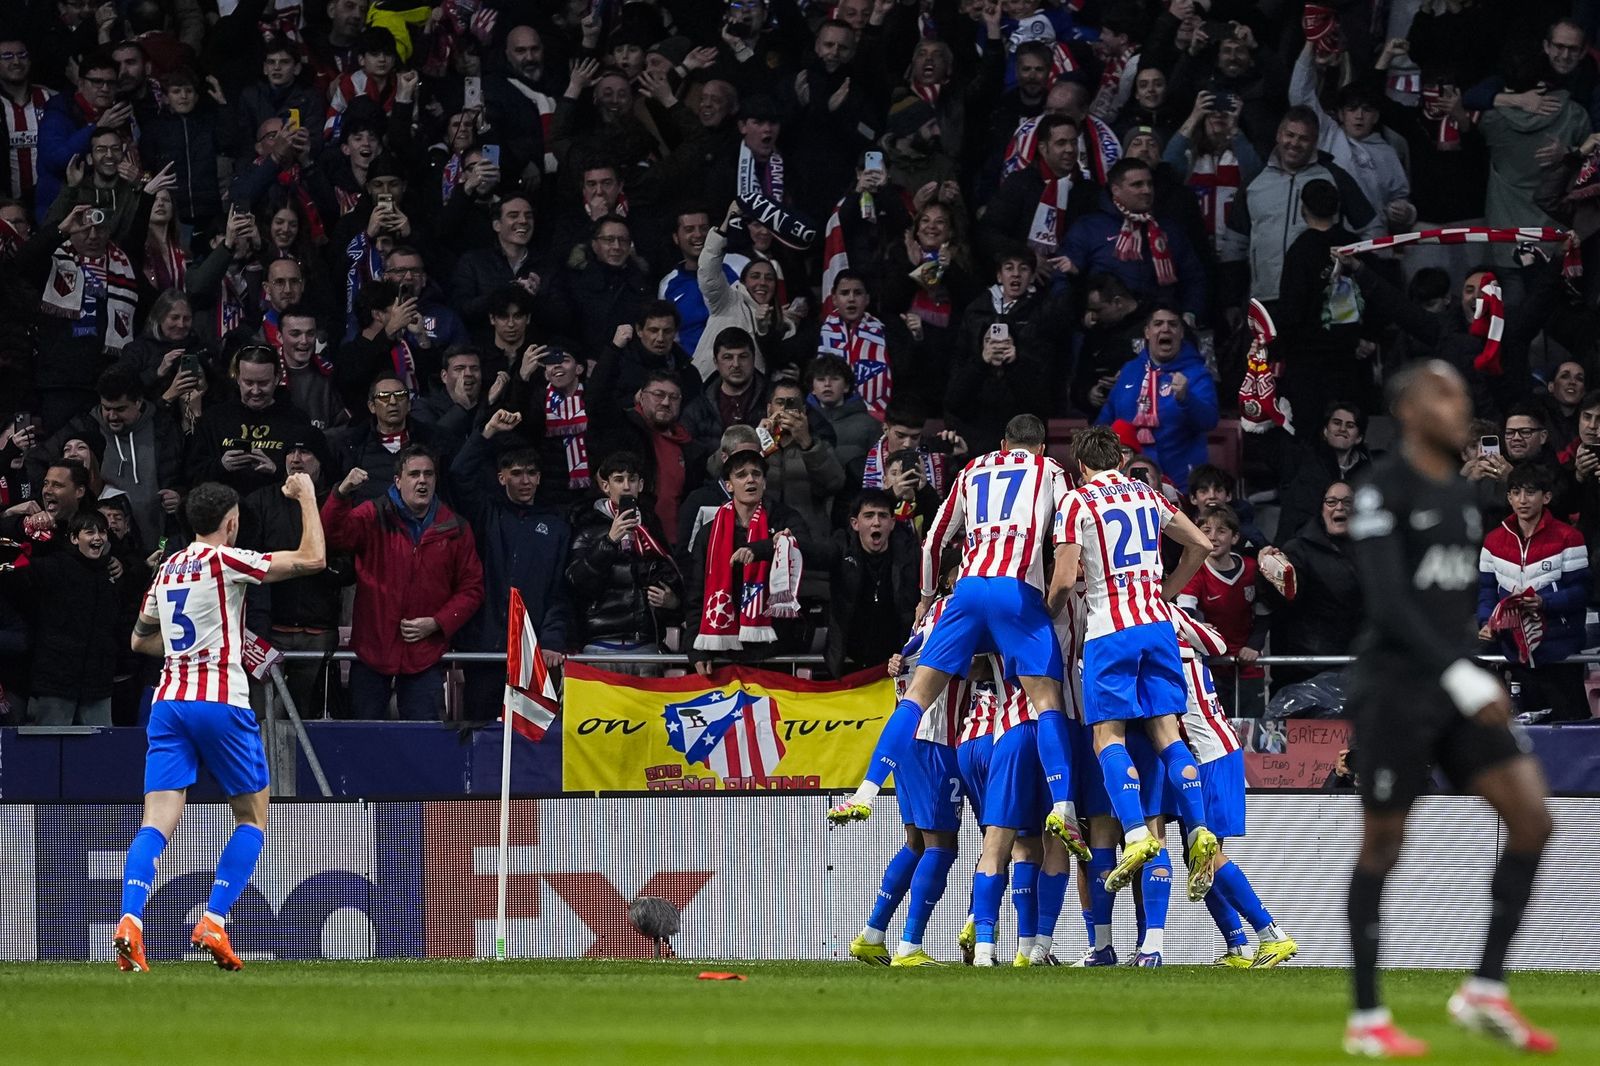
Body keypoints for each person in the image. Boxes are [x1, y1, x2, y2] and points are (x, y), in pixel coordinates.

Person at [1343, 361, 1556, 1056]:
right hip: (1395, 690)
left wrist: (1467, 671)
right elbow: (1389, 604)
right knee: (1384, 844)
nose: (1461, 407)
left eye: (1464, 396)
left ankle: (1485, 989)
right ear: (1408, 410)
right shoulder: (1381, 491)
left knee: (1531, 818)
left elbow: (1449, 605)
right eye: (1447, 395)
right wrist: (1463, 676)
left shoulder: (1468, 496)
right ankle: (1368, 1019)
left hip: (1456, 683)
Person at [829, 414, 1090, 968]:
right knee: (1046, 704)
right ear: (1041, 446)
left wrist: (928, 598)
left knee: (915, 697)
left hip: (966, 589)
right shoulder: (1053, 473)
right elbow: (1065, 552)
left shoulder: (972, 470)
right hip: (1018, 594)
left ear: (1001, 444)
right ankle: (1063, 808)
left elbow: (931, 541)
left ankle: (866, 790)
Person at [114, 474, 327, 973]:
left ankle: (129, 921)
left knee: (156, 821)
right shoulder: (224, 559)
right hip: (219, 702)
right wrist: (308, 496)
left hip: (167, 702)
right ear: (230, 523)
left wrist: (188, 648)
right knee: (253, 816)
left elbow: (139, 641)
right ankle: (213, 918)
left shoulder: (166, 570)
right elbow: (313, 558)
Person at [1048, 424, 1219, 905]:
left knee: (1108, 735)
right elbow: (1202, 545)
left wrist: (1046, 613)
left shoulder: (1077, 503)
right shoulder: (1147, 494)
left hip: (1110, 629)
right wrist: (1164, 591)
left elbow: (1063, 581)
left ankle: (1137, 834)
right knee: (1168, 731)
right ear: (1120, 460)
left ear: (1081, 465)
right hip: (1157, 626)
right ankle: (1200, 827)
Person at [1170, 609, 1299, 969]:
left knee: (1204, 854)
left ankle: (1271, 935)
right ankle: (1238, 946)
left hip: (1210, 754)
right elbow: (1216, 642)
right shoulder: (1178, 635)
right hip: (1214, 749)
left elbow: (1217, 642)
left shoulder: (1162, 640)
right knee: (1196, 857)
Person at [321, 446, 484, 720]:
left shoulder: (455, 527)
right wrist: (341, 493)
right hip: (371, 653)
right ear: (398, 480)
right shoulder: (373, 514)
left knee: (423, 747)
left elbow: (472, 588)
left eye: (429, 474)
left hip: (426, 657)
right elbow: (332, 535)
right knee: (363, 744)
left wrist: (437, 622)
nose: (422, 480)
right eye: (414, 474)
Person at [449, 411, 570, 715]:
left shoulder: (556, 526)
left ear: (540, 478)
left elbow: (560, 590)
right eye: (516, 473)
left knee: (528, 738)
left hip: (532, 652)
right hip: (486, 648)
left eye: (531, 473)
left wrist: (552, 637)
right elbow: (459, 473)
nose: (525, 480)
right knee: (481, 731)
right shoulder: (486, 514)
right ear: (501, 477)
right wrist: (486, 431)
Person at [1477, 463, 1590, 722]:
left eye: (1530, 493)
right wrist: (1486, 621)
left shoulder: (1569, 538)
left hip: (1560, 653)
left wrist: (1544, 602)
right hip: (1514, 654)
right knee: (1525, 739)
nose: (1522, 500)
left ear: (1546, 497)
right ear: (1508, 497)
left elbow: (1581, 591)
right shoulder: (1493, 541)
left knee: (1571, 734)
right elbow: (1486, 591)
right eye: (1515, 493)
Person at [0, 510, 122, 725]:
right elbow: (14, 575)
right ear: (75, 538)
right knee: (48, 751)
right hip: (55, 685)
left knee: (102, 751)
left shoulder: (109, 575)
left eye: (102, 532)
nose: (97, 537)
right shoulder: (53, 567)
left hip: (97, 687)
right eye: (89, 532)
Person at [565, 449, 682, 663]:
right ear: (605, 486)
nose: (627, 486)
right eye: (619, 480)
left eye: (632, 479)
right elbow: (576, 583)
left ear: (642, 485)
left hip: (646, 645)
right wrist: (609, 540)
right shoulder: (586, 528)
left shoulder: (651, 528)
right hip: (600, 645)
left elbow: (674, 581)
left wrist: (673, 602)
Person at [1094, 305, 1218, 492]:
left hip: (1180, 484)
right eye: (1158, 323)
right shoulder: (1130, 370)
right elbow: (1107, 417)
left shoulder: (1197, 374)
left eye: (1173, 324)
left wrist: (1187, 398)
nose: (1165, 329)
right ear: (1147, 332)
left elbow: (1209, 421)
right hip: (1129, 484)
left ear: (1181, 333)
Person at [1178, 505, 1270, 718]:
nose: (1213, 537)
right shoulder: (1195, 571)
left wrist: (1253, 645)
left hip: (1247, 665)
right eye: (1206, 530)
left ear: (1235, 537)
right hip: (1212, 667)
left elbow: (1265, 613)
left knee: (1252, 733)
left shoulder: (1251, 568)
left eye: (1221, 531)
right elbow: (1185, 611)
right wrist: (1197, 628)